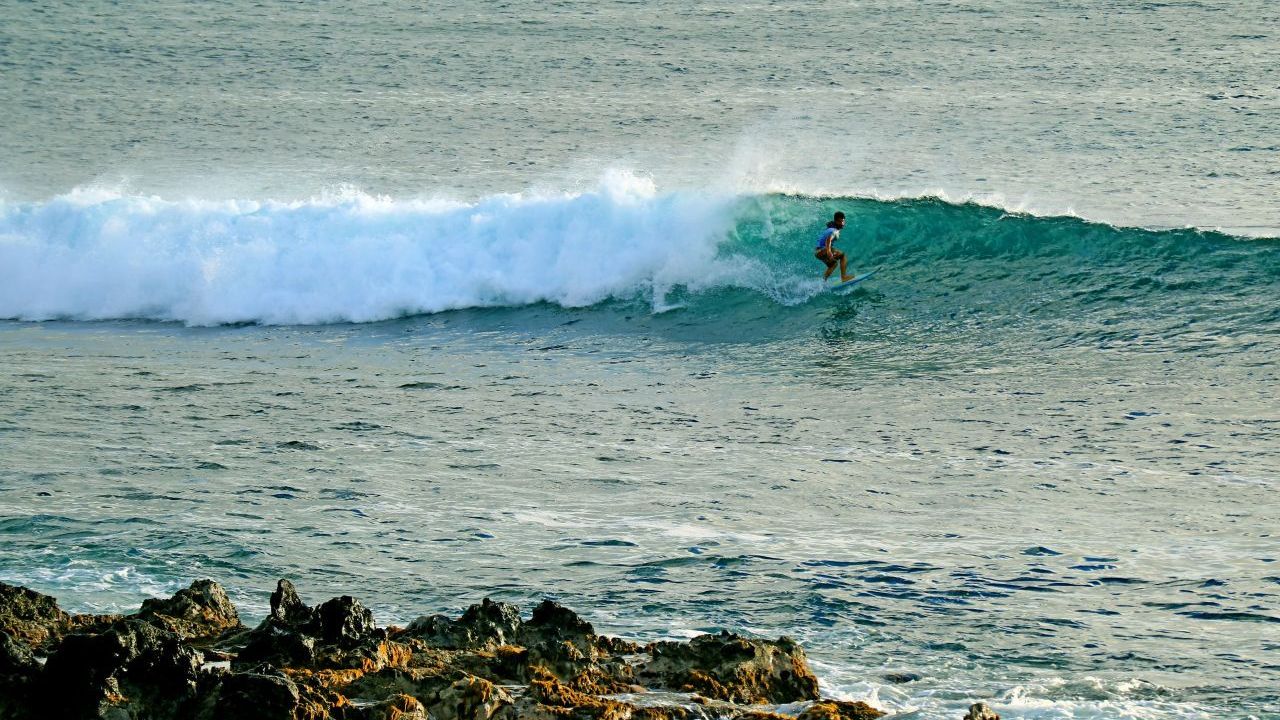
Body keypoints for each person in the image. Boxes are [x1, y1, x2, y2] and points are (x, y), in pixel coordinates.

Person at [815, 211, 854, 282]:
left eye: (843, 221)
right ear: (835, 221)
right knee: (842, 255)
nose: (842, 223)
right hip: (823, 250)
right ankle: (844, 277)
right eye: (840, 221)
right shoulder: (834, 230)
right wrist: (829, 251)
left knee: (833, 264)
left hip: (817, 252)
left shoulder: (831, 228)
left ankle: (823, 282)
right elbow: (828, 239)